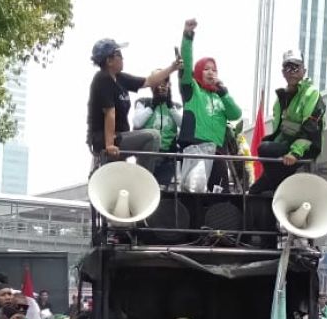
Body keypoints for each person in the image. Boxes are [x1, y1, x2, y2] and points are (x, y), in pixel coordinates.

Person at [87, 37, 180, 171]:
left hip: (119, 137)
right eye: (119, 55)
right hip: (106, 139)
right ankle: (143, 177)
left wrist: (173, 67)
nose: (123, 58)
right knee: (152, 136)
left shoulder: (120, 78)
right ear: (109, 60)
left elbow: (149, 81)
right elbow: (110, 113)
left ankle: (139, 176)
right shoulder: (102, 78)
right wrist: (109, 145)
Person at [177, 18, 242, 192]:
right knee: (194, 194)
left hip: (217, 153)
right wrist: (188, 36)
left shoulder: (221, 96)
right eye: (206, 69)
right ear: (198, 72)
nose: (211, 72)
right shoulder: (192, 90)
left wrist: (223, 92)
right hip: (195, 149)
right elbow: (186, 63)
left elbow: (236, 114)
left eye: (214, 69)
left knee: (219, 195)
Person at [253, 50, 325, 195]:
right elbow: (280, 131)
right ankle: (276, 189)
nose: (291, 71)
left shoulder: (311, 93)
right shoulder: (281, 98)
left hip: (305, 149)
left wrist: (295, 153)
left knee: (265, 149)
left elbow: (310, 126)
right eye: (287, 68)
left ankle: (280, 190)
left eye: (295, 67)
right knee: (254, 192)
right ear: (283, 72)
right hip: (286, 148)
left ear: (303, 70)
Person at [132, 80, 184, 186]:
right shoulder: (143, 102)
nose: (162, 86)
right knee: (143, 186)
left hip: (167, 157)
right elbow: (137, 122)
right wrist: (152, 106)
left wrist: (170, 107)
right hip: (147, 156)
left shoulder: (176, 106)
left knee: (162, 192)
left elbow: (183, 125)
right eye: (158, 83)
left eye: (165, 83)